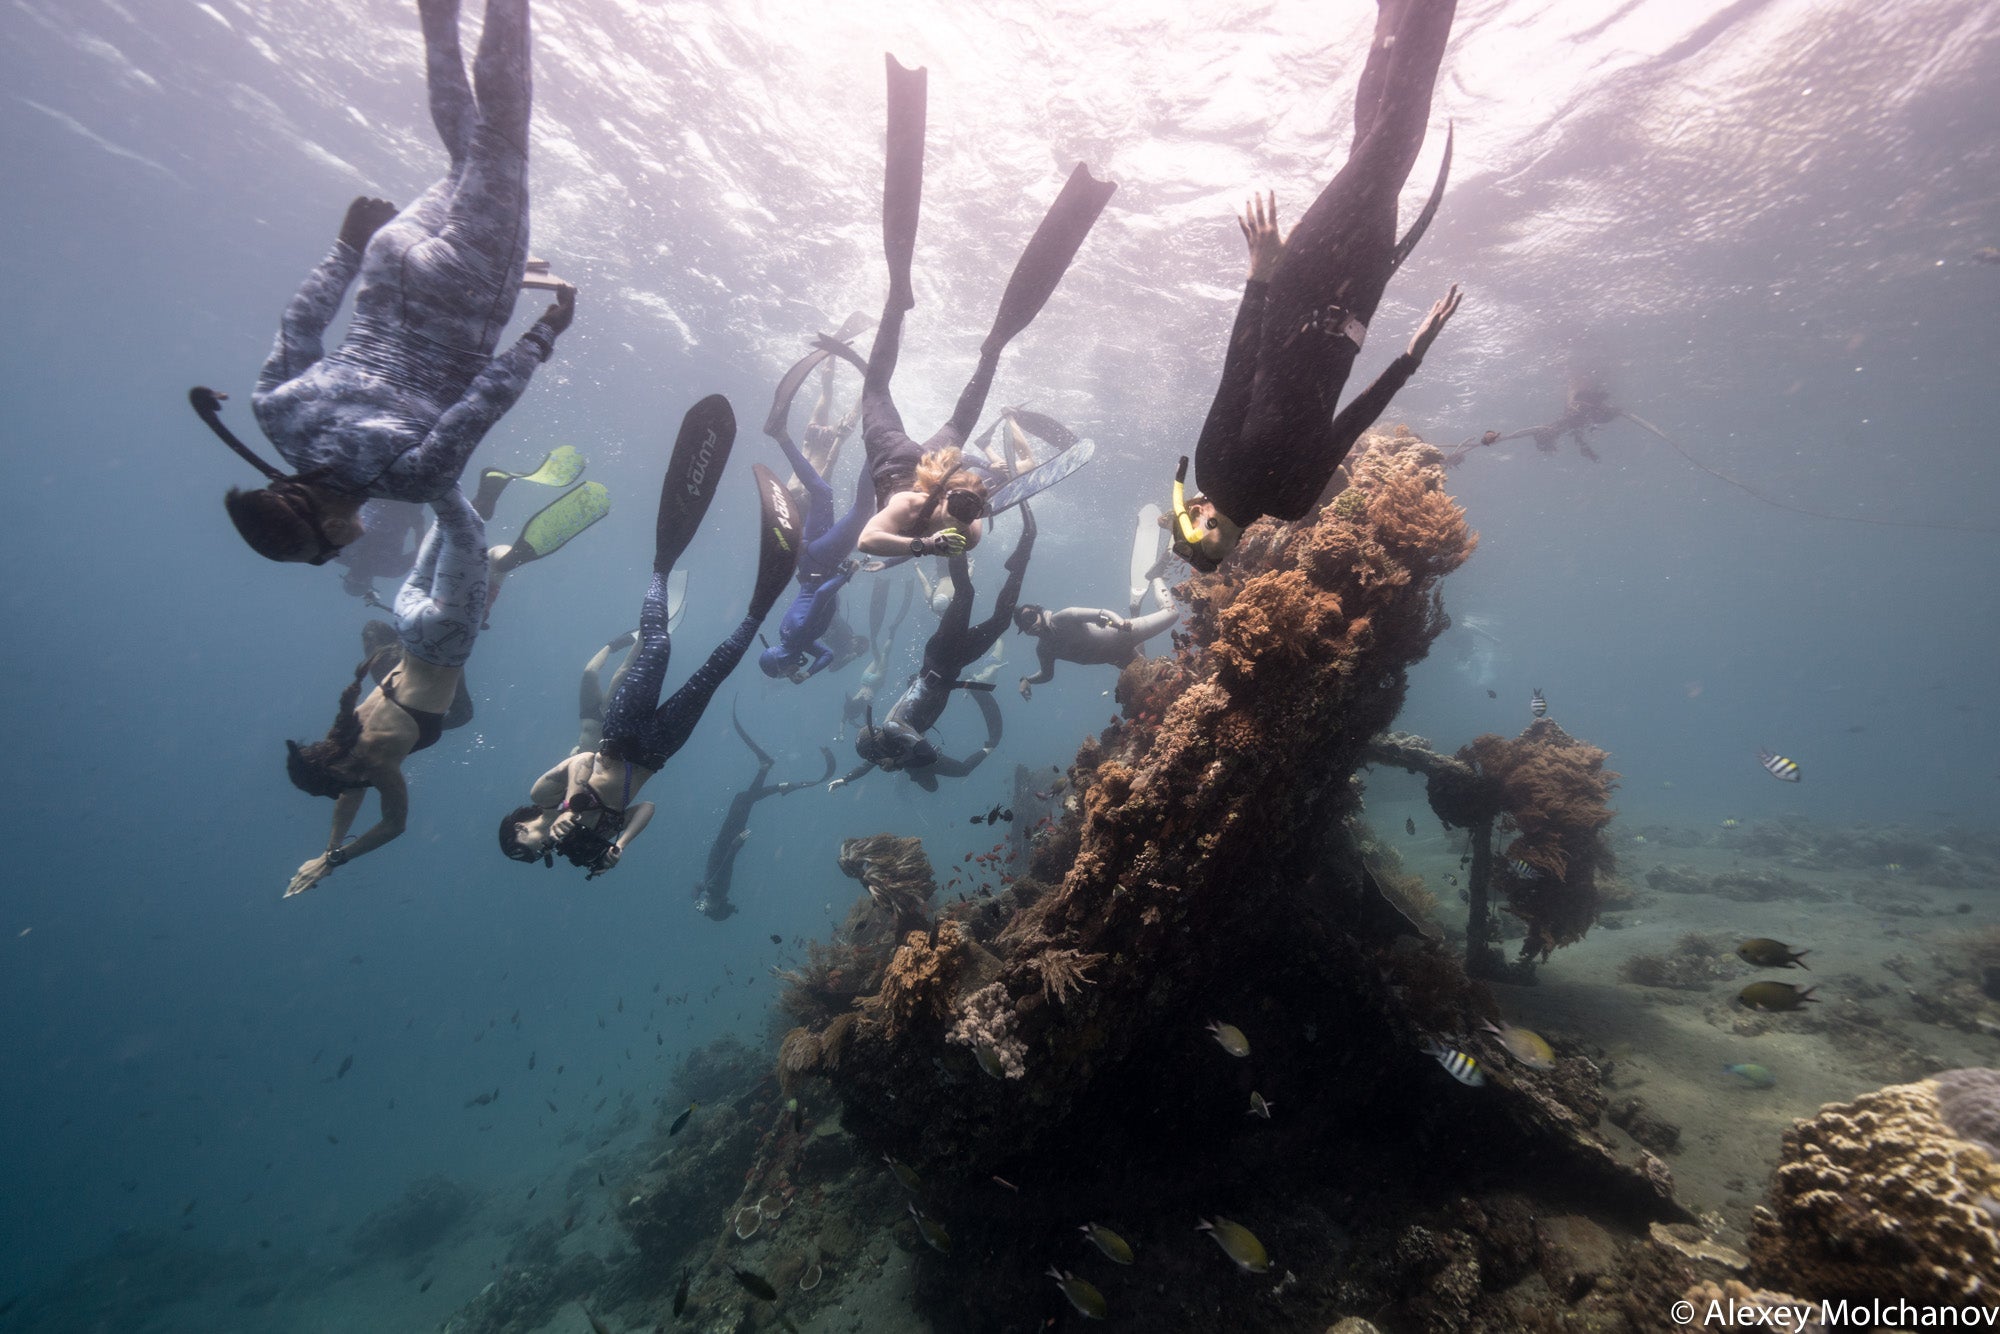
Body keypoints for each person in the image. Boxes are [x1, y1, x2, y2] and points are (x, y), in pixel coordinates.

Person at [204, 0, 575, 566]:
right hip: (387, 266)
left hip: (465, 287)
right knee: (465, 157)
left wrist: (541, 338)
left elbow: (481, 404)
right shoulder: (273, 412)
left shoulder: (411, 481)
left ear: (328, 524)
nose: (337, 553)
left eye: (325, 551)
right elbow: (300, 322)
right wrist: (347, 248)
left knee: (503, 134)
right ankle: (438, 20)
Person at [1171, 0, 1462, 572]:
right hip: (1329, 292)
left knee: (1392, 144)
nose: (1202, 526)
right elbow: (1326, 409)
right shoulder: (1262, 491)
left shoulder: (1272, 496)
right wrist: (1409, 359)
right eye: (1196, 538)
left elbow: (1251, 372)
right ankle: (1390, 21)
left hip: (1324, 293)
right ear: (1212, 529)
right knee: (1376, 144)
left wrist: (1261, 277)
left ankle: (1411, 16)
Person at [820, 56, 1114, 561]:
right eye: (967, 505)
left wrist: (922, 545)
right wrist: (935, 541)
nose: (961, 514)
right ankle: (993, 348)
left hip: (894, 460)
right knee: (961, 416)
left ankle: (897, 304)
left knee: (875, 385)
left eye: (964, 507)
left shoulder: (918, 509)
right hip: (930, 460)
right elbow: (880, 538)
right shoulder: (964, 524)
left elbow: (869, 541)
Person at [497, 397, 802, 876]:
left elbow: (580, 760)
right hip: (659, 748)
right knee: (716, 671)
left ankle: (661, 566)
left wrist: (569, 807)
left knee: (659, 644)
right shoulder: (581, 841)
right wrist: (620, 843)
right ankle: (759, 608)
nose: (539, 853)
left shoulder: (541, 797)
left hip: (620, 734)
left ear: (519, 830)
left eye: (527, 850)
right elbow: (646, 809)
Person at [281, 477, 591, 895]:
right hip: (408, 621)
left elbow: (394, 825)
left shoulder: (377, 766)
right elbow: (349, 791)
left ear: (339, 774)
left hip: (448, 640)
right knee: (449, 524)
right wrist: (329, 847)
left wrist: (336, 858)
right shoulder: (346, 733)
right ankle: (466, 491)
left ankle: (499, 552)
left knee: (482, 554)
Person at [841, 504, 1036, 781]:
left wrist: (896, 763)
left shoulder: (894, 727)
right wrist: (855, 775)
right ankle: (1021, 559)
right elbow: (920, 754)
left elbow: (929, 756)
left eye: (877, 755)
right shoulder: (897, 735)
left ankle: (953, 526)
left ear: (878, 746)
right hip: (951, 666)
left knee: (965, 594)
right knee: (1002, 621)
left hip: (940, 657)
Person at [758, 347, 878, 682]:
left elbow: (824, 594)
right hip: (807, 559)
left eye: (788, 672)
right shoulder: (793, 640)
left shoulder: (796, 639)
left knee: (863, 508)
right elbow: (827, 654)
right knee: (822, 491)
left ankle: (878, 443)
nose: (792, 672)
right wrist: (809, 673)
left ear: (784, 664)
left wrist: (850, 572)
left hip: (825, 564)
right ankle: (781, 436)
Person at [693, 704, 835, 921]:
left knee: (743, 800)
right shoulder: (716, 891)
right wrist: (734, 845)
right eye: (708, 909)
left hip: (728, 840)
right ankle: (772, 776)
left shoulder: (714, 892)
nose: (705, 906)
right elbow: (724, 868)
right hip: (728, 841)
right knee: (742, 800)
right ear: (716, 906)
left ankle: (768, 771)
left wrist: (697, 894)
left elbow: (708, 880)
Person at [1015, 576, 1180, 699]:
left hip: (1124, 634)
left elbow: (1101, 613)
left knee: (1172, 613)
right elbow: (1046, 675)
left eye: (1030, 618)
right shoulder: (1044, 650)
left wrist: (1121, 623)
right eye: (1024, 626)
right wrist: (1027, 680)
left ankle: (1156, 577)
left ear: (1039, 611)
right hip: (1118, 658)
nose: (1031, 626)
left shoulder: (1064, 617)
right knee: (1149, 677)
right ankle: (1135, 608)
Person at [1442, 370, 1627, 466]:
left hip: (1583, 401)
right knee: (1590, 393)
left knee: (1587, 390)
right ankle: (1593, 377)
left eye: (1550, 441)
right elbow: (1575, 427)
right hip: (1584, 403)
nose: (1554, 441)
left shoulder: (1561, 423)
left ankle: (1590, 375)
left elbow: (1521, 433)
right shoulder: (1562, 424)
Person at [841, 573, 915, 739]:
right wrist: (842, 728)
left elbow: (861, 719)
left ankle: (891, 633)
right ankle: (874, 640)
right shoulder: (851, 704)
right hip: (865, 679)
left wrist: (850, 729)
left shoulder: (863, 706)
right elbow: (845, 716)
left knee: (884, 654)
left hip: (876, 683)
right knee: (877, 655)